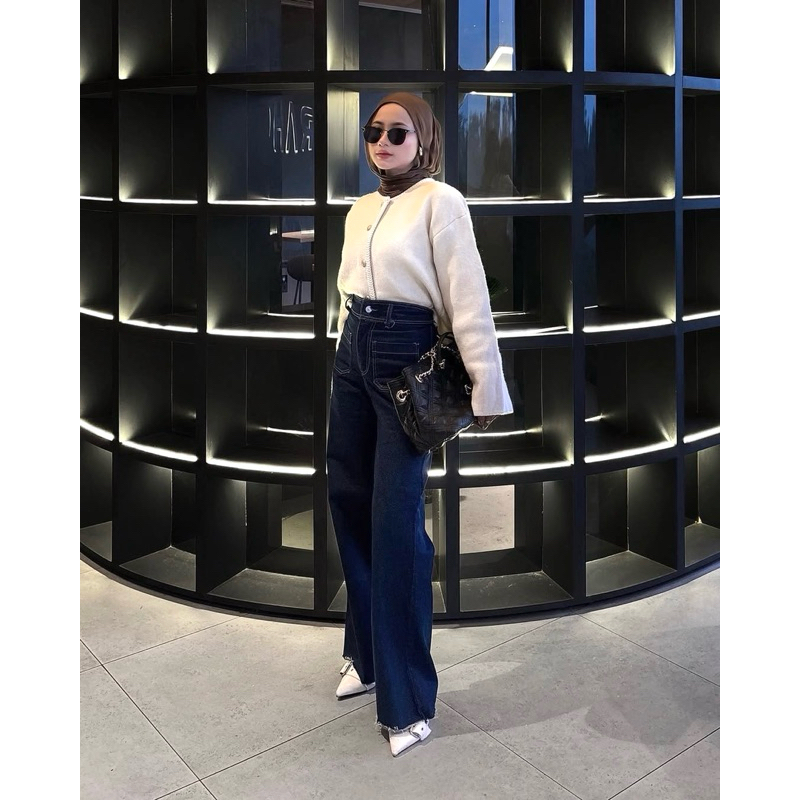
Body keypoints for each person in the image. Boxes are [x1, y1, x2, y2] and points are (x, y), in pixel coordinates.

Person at [326, 91, 513, 757]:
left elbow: (467, 296)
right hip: (353, 354)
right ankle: (367, 656)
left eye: (397, 132)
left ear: (424, 139)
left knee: (397, 522)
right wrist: (341, 351)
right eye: (374, 130)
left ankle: (407, 701)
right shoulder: (361, 207)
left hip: (406, 356)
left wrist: (486, 384)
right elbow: (348, 289)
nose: (382, 141)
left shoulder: (442, 202)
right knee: (347, 499)